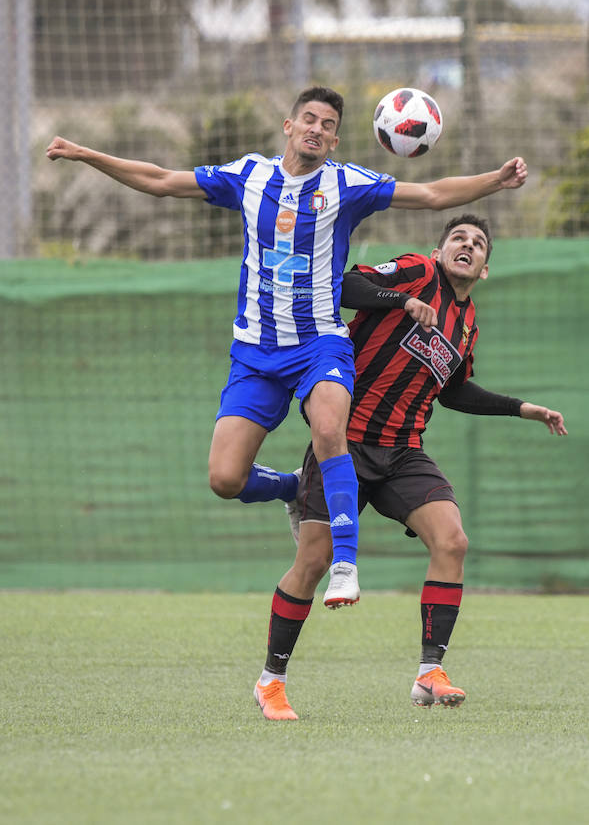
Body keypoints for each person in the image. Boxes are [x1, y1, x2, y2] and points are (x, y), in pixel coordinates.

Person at [46, 86, 529, 608]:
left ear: (336, 139)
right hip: (255, 352)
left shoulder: (347, 184)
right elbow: (162, 181)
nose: (317, 129)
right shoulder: (249, 176)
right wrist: (86, 155)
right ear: (289, 126)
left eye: (327, 124)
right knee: (225, 479)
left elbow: (432, 193)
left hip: (320, 341)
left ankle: (345, 563)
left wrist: (494, 182)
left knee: (329, 429)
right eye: (309, 119)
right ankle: (292, 488)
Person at [253, 214, 567, 720]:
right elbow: (345, 284)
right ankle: (272, 681)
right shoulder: (418, 272)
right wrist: (402, 300)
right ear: (441, 250)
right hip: (344, 444)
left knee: (452, 540)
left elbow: (456, 390)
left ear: (485, 268)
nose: (468, 245)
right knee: (312, 562)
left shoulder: (466, 324)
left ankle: (429, 673)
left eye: (479, 243)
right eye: (459, 239)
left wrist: (520, 407)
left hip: (402, 453)